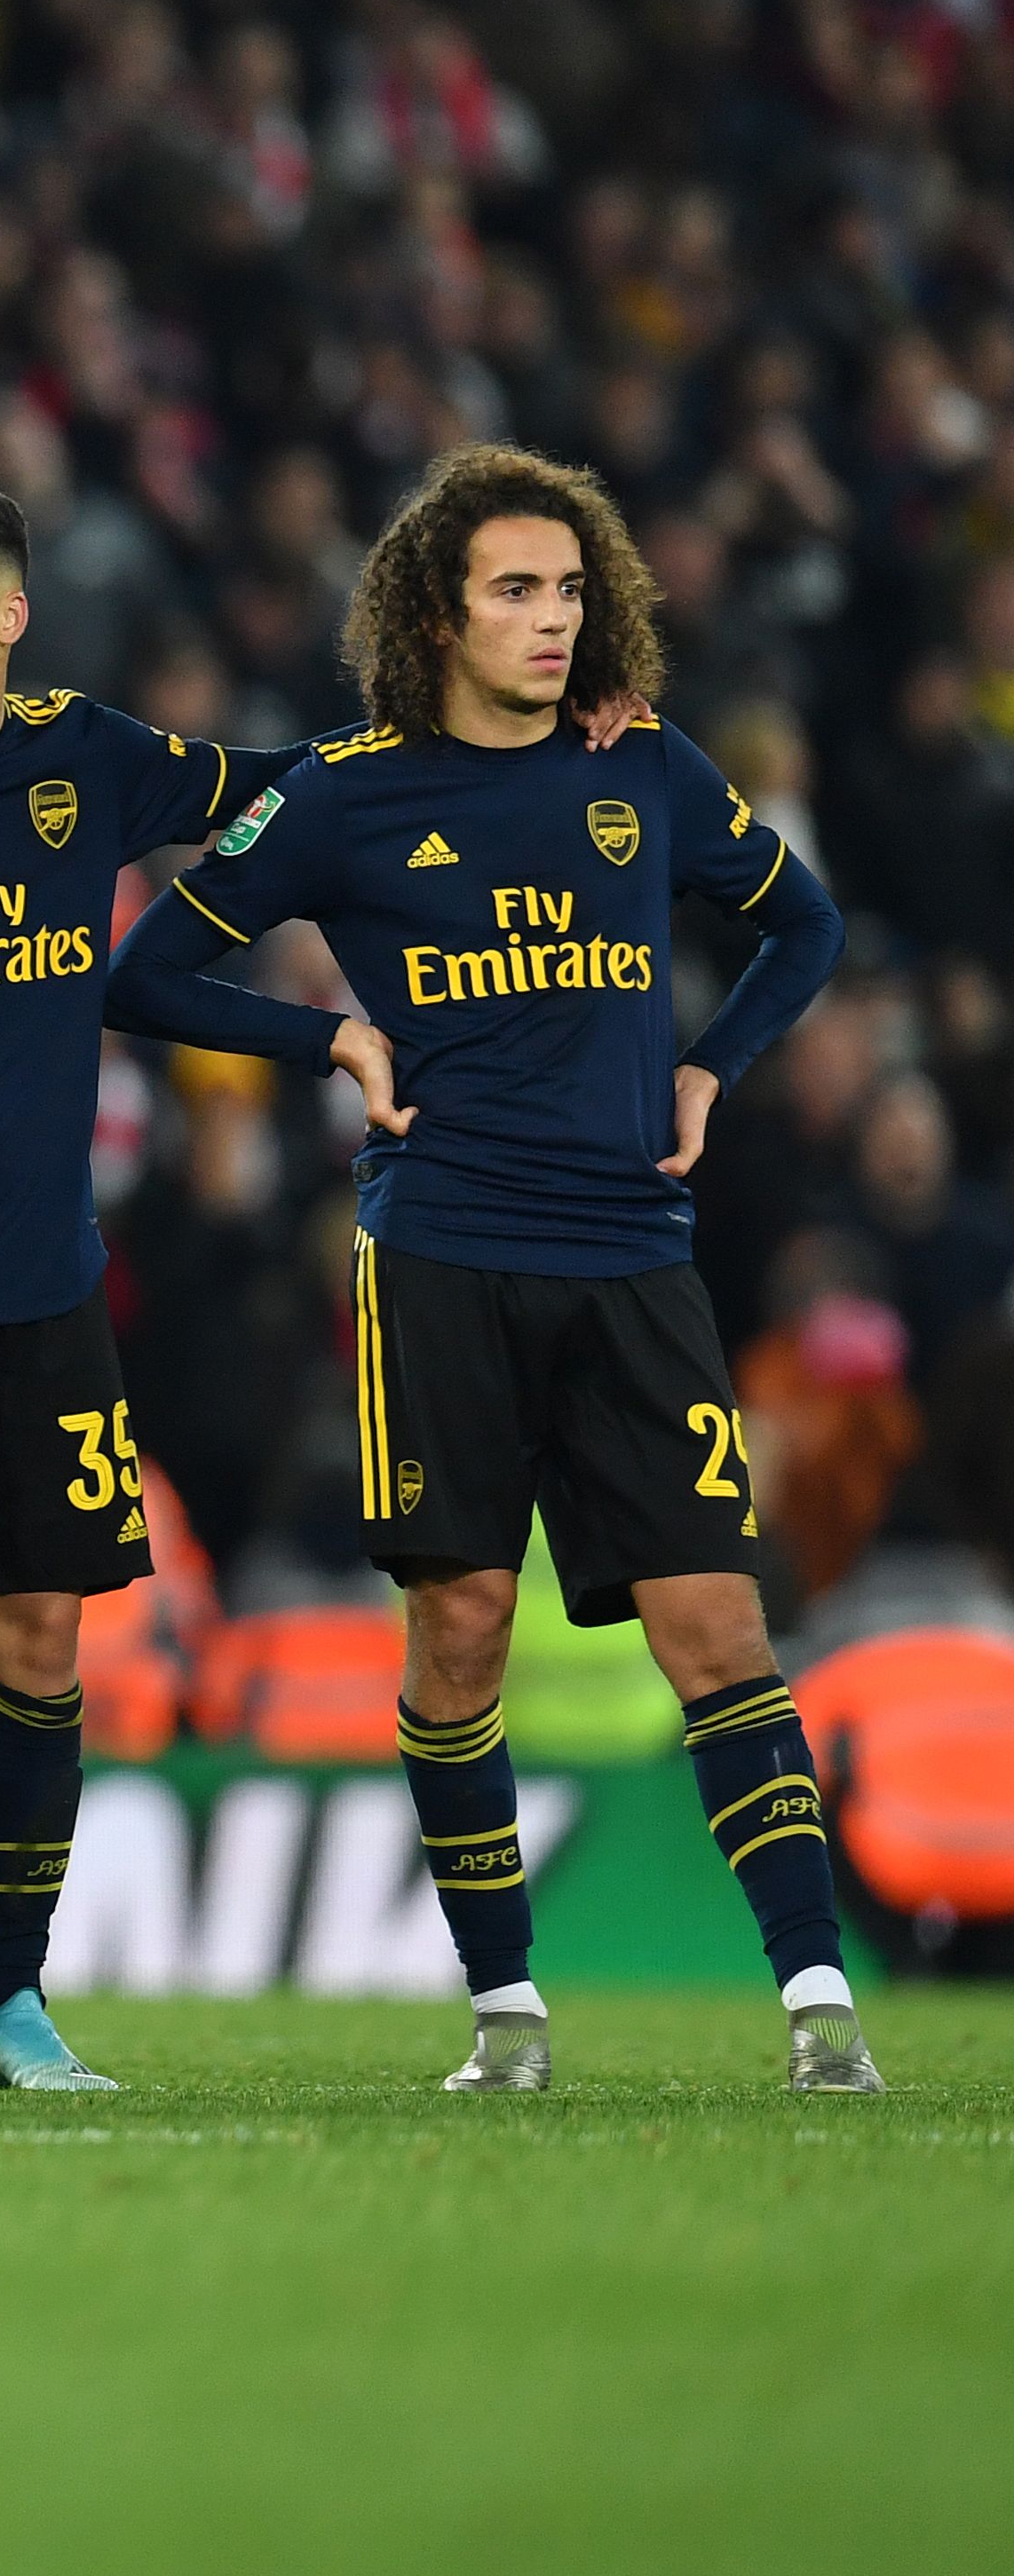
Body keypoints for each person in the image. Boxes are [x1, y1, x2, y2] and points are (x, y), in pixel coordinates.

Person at [109, 442, 867, 2094]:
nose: (547, 618)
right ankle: (502, 2016)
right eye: (512, 590)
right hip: (438, 1253)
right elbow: (145, 970)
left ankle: (819, 2006)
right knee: (455, 1630)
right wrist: (326, 1036)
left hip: (630, 1260)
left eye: (567, 589)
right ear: (432, 615)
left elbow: (801, 927)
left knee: (716, 1631)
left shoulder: (644, 767)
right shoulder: (342, 791)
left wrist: (709, 1064)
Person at [0, 475, 313, 2091]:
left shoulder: (90, 760)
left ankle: (5, 2003)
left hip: (41, 1296)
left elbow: (286, 789)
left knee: (37, 1640)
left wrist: (465, 745)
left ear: (11, 615)